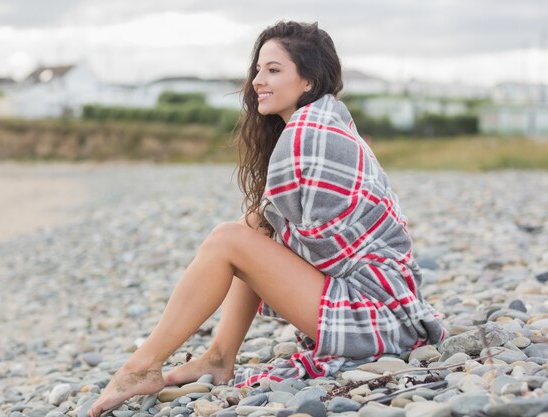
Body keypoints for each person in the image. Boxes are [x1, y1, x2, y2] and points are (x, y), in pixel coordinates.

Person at [89, 20, 446, 417]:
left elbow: (319, 251)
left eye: (274, 70)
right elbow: (280, 232)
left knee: (232, 240)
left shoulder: (308, 134)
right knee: (250, 230)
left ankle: (142, 366)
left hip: (377, 315)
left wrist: (260, 243)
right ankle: (218, 357)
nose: (258, 80)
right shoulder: (326, 121)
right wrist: (261, 235)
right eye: (258, 69)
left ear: (308, 81)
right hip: (390, 302)